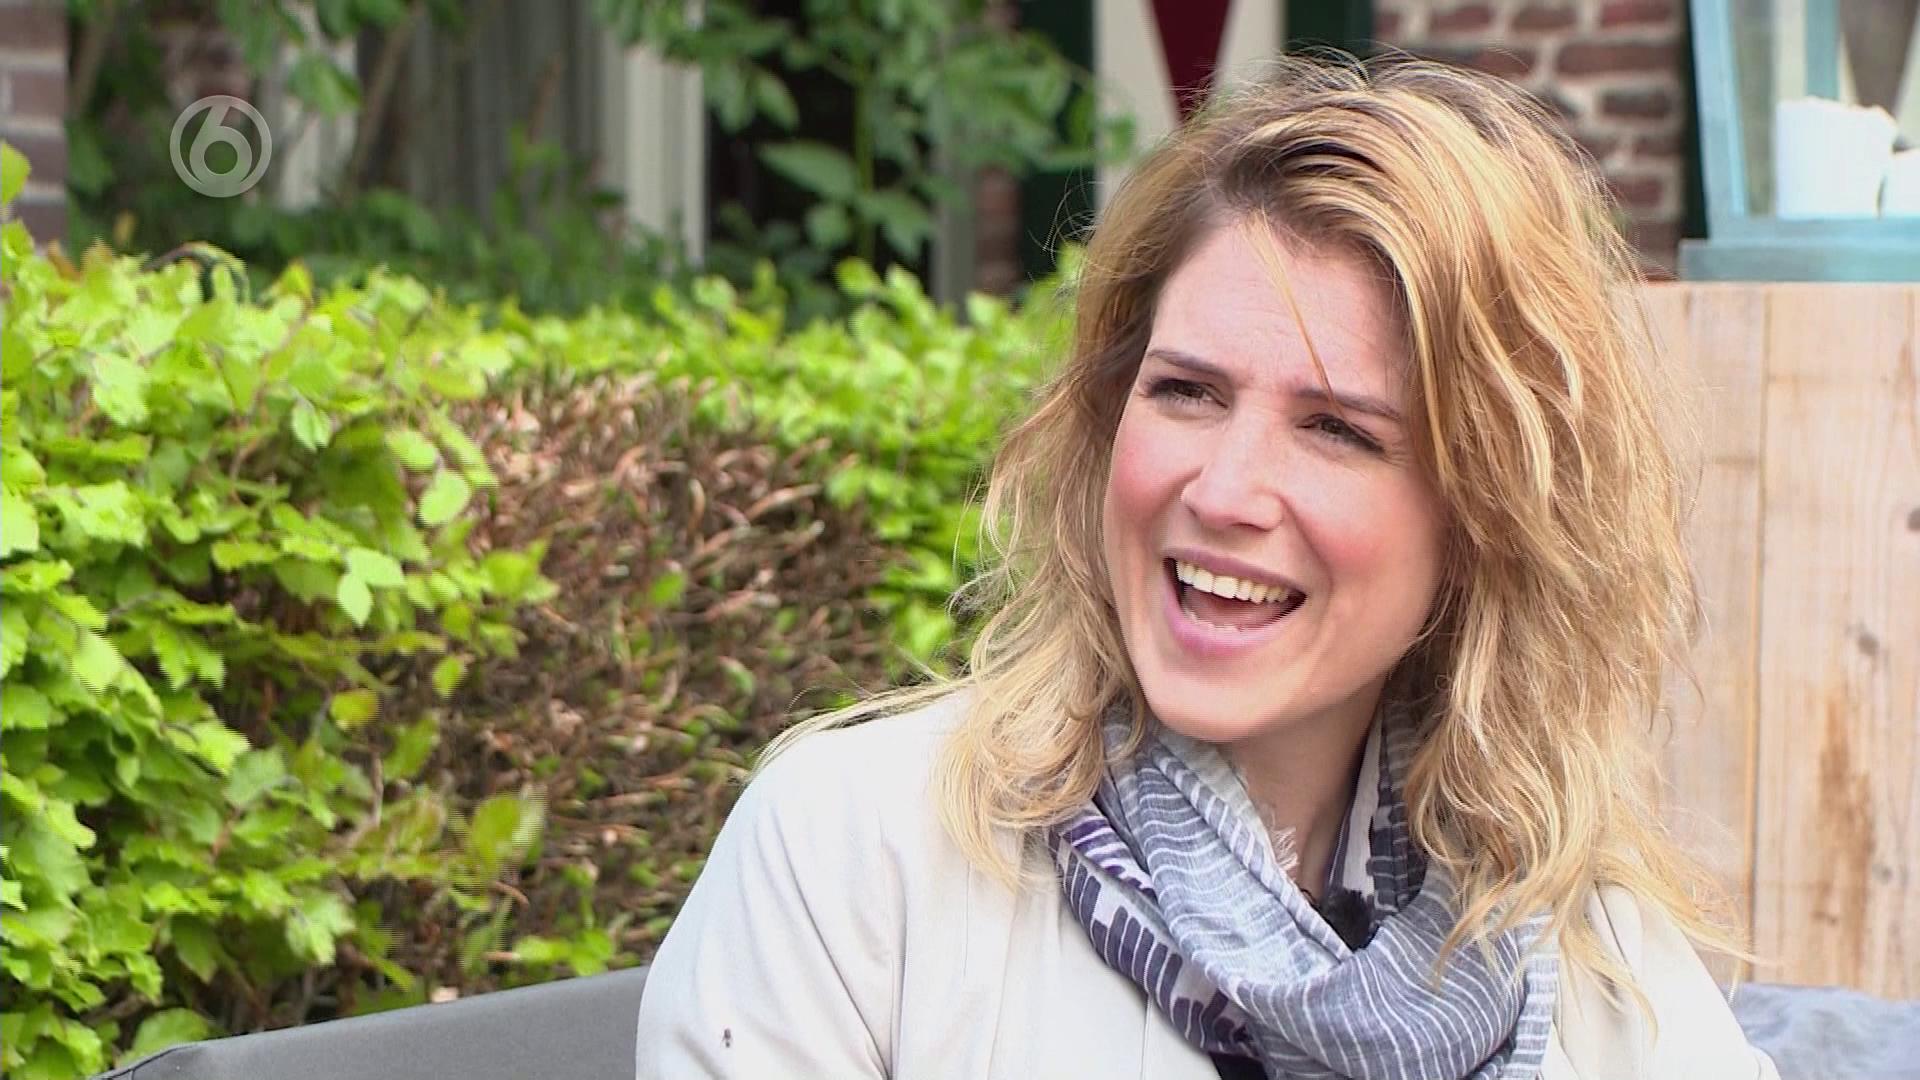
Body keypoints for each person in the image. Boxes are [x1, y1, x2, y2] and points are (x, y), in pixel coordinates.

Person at [635, 51, 1780, 1079]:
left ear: (1486, 517)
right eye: (1186, 391)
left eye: (1337, 429)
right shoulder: (857, 858)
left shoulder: (1577, 937)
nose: (1224, 492)